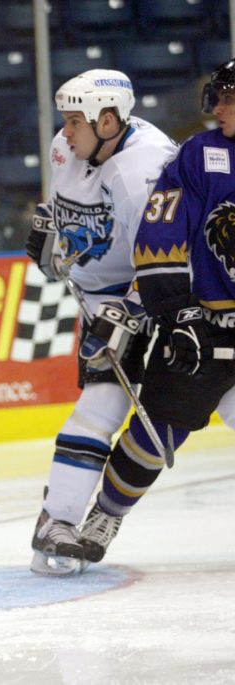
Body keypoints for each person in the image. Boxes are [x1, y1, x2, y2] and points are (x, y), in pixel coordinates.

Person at [74, 60, 235, 567]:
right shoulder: (202, 155)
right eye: (220, 95)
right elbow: (160, 234)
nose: (220, 106)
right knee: (155, 432)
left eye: (231, 97)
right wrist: (177, 312)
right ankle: (107, 511)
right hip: (206, 329)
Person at [23, 69, 178, 575]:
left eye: (74, 121)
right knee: (103, 402)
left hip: (164, 296)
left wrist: (131, 308)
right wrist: (51, 240)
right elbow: (62, 212)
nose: (64, 131)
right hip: (100, 300)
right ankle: (58, 520)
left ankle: (76, 516)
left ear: (108, 120)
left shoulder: (145, 173)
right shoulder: (68, 146)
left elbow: (168, 260)